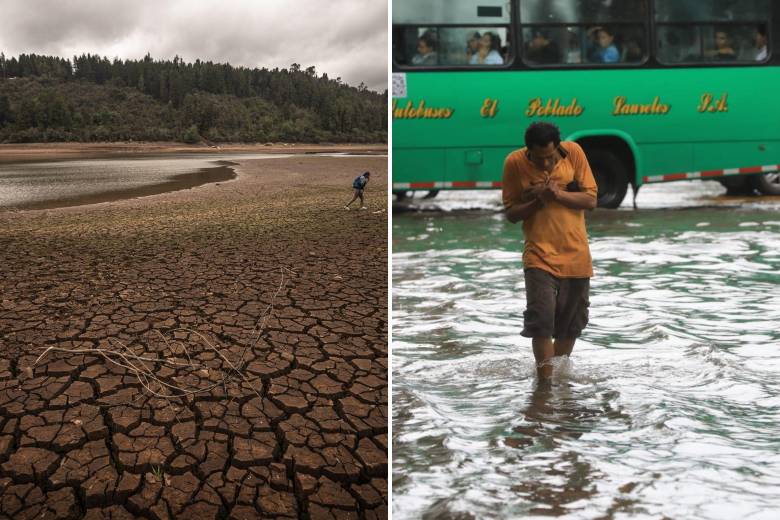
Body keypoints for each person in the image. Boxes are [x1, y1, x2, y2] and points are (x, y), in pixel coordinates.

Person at [502, 122, 598, 384]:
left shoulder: (574, 152)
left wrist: (556, 194)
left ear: (558, 147)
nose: (545, 164)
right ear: (527, 150)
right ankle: (544, 384)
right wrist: (537, 201)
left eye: (550, 157)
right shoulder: (514, 163)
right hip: (538, 255)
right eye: (538, 158)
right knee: (541, 319)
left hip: (576, 253)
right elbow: (511, 213)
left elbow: (590, 200)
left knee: (572, 323)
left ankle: (554, 379)